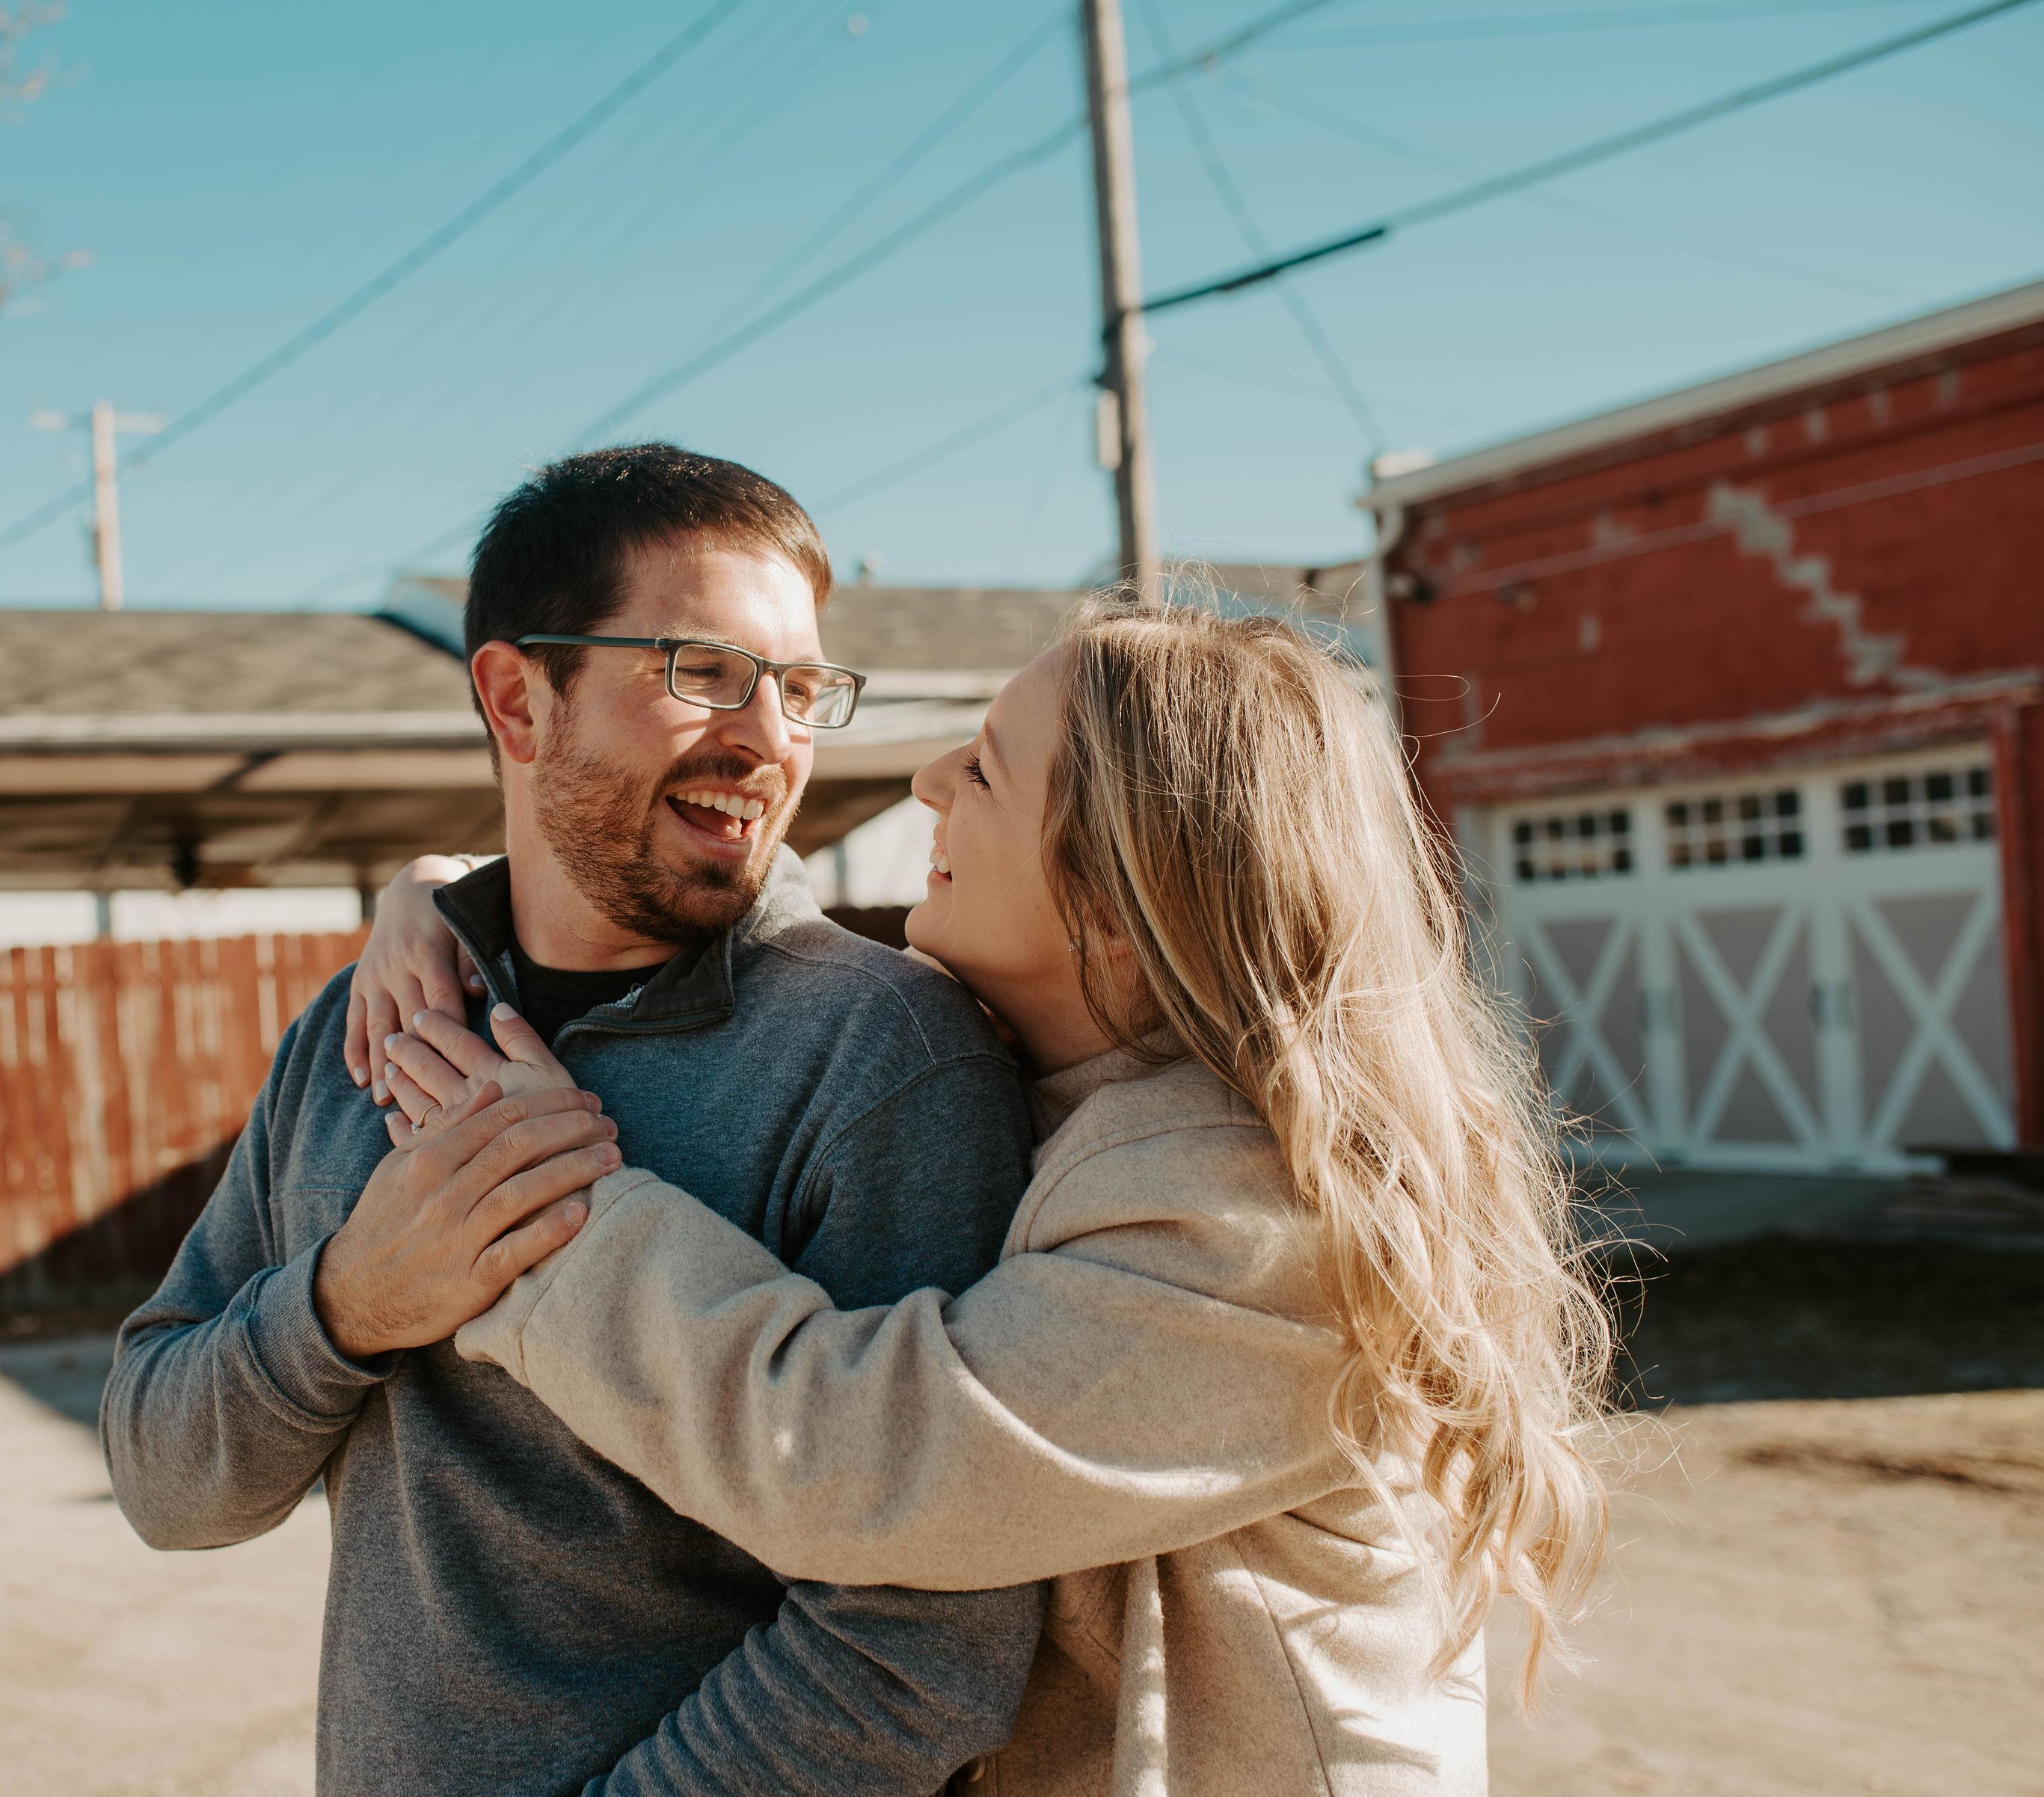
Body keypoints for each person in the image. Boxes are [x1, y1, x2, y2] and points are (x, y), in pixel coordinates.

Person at [348, 593, 1617, 1796]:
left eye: (987, 771)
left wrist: (528, 1200)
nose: (925, 787)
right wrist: (446, 897)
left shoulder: (1263, 1220)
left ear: (1121, 894)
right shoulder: (1064, 1093)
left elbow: (857, 1461)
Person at [99, 443, 1046, 1797]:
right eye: (703, 672)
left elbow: (921, 1636)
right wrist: (347, 1306)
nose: (771, 738)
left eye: (798, 690)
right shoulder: (361, 1031)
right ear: (517, 699)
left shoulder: (883, 1055)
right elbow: (163, 1478)